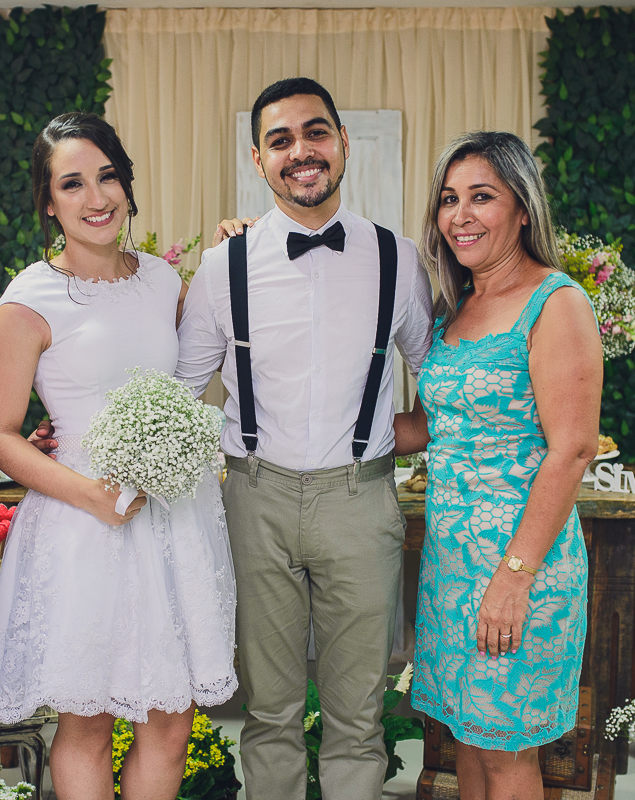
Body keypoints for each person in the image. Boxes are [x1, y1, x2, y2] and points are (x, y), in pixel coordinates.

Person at [0, 112, 236, 800]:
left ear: (127, 183)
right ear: (48, 202)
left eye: (108, 176)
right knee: (86, 723)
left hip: (172, 519)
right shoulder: (27, 298)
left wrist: (232, 256)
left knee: (170, 723)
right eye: (73, 183)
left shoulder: (159, 279)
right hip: (82, 521)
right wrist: (90, 494)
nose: (97, 198)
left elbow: (191, 371)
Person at [186, 77, 435, 799]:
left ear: (342, 143)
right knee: (269, 711)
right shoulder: (221, 266)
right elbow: (174, 388)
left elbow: (444, 384)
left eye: (315, 132)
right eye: (281, 139)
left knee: (359, 714)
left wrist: (400, 432)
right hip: (255, 499)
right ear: (258, 160)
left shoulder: (400, 259)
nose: (302, 151)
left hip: (361, 502)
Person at [395, 131, 602, 800]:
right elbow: (431, 425)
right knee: (470, 749)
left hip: (520, 567)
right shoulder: (457, 307)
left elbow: (572, 447)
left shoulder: (556, 302)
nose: (460, 215)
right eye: (449, 200)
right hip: (450, 571)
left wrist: (513, 578)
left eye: (481, 197)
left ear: (521, 208)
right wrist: (315, 428)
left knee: (508, 753)